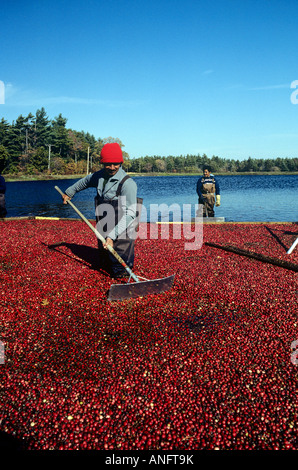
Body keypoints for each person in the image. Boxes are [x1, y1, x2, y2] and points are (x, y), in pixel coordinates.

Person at [62, 142, 139, 278]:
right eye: (108, 164)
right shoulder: (100, 176)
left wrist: (112, 235)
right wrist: (70, 192)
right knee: (104, 256)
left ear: (121, 162)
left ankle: (123, 273)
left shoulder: (128, 184)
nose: (112, 167)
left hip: (122, 224)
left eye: (116, 163)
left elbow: (131, 214)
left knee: (120, 256)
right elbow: (85, 181)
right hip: (104, 221)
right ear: (102, 163)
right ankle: (107, 265)